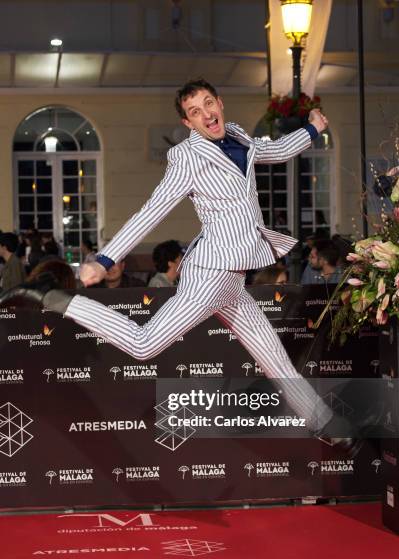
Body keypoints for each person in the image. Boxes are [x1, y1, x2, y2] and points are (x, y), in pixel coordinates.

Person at [0, 78, 364, 454]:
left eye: (209, 104)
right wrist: (105, 259)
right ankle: (54, 298)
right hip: (210, 274)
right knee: (143, 345)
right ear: (189, 124)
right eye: (195, 112)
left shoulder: (239, 137)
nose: (206, 114)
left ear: (220, 103)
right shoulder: (187, 157)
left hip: (233, 278)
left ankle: (328, 425)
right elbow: (152, 211)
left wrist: (312, 128)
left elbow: (274, 151)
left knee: (274, 356)